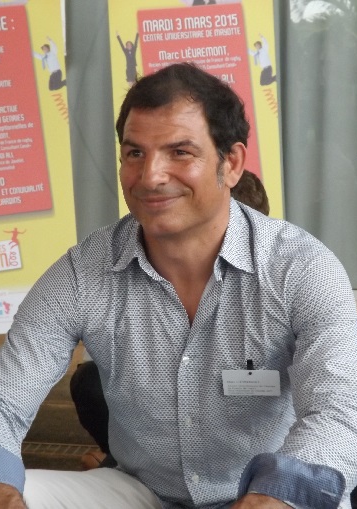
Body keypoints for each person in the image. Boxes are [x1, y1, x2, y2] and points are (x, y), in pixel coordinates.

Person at [0, 63, 357, 509]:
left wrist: (271, 499)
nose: (150, 177)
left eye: (180, 152)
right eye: (135, 154)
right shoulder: (83, 272)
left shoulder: (301, 268)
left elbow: (341, 415)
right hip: (144, 493)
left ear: (232, 163)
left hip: (264, 494)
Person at [71, 170, 271, 470]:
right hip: (157, 430)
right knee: (90, 381)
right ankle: (125, 461)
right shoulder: (126, 268)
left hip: (253, 444)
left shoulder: (287, 273)